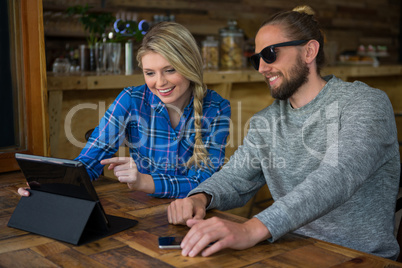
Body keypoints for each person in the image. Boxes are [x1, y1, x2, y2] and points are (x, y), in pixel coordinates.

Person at [167, 6, 401, 260]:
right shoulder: (265, 121)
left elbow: (338, 175)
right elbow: (236, 177)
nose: (262, 68)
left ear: (309, 51)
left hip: (359, 259)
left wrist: (252, 229)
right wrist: (200, 198)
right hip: (291, 253)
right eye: (257, 58)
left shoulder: (365, 103)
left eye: (270, 54)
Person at [18, 22, 231, 199]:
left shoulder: (217, 108)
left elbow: (203, 184)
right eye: (150, 73)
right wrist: (49, 185)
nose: (160, 82)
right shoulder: (131, 100)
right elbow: (88, 162)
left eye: (170, 70)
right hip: (142, 210)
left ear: (190, 65)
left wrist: (143, 181)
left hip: (193, 215)